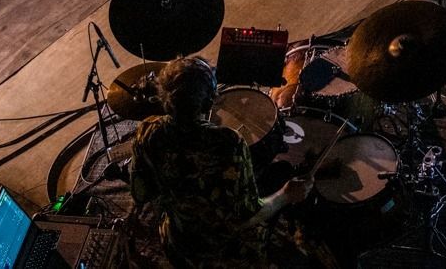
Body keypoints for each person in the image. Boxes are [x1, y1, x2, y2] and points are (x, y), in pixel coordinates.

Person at [129, 56, 317, 268]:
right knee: (282, 171)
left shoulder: (147, 131)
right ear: (210, 101)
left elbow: (140, 194)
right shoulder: (228, 143)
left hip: (179, 240)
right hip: (224, 250)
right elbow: (247, 216)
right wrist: (285, 195)